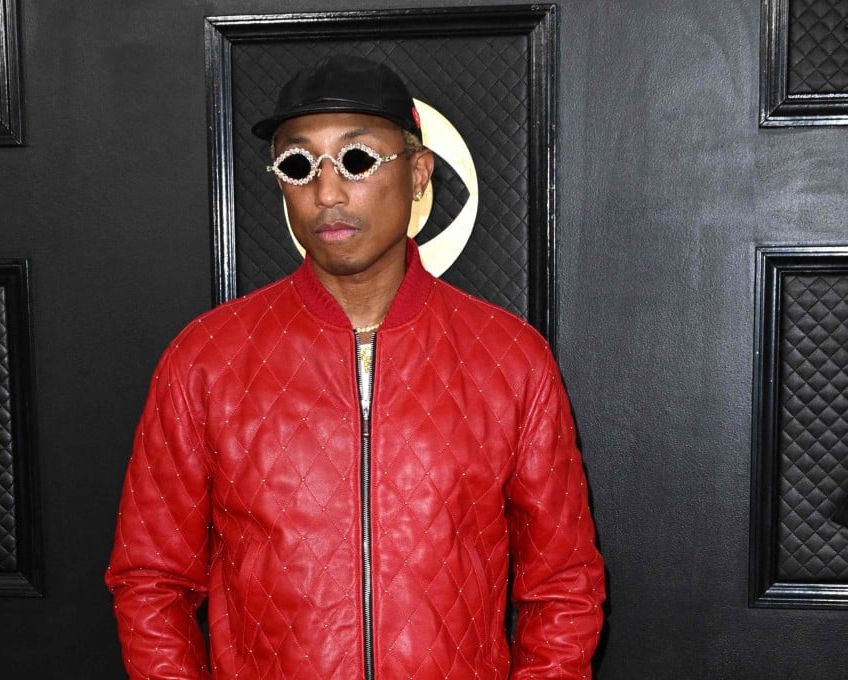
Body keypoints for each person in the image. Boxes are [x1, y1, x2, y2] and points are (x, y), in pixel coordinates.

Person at [106, 56, 605, 680]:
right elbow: (151, 579)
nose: (328, 191)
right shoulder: (205, 359)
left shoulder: (510, 358)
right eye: (298, 164)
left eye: (358, 159)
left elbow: (563, 584)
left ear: (419, 173)